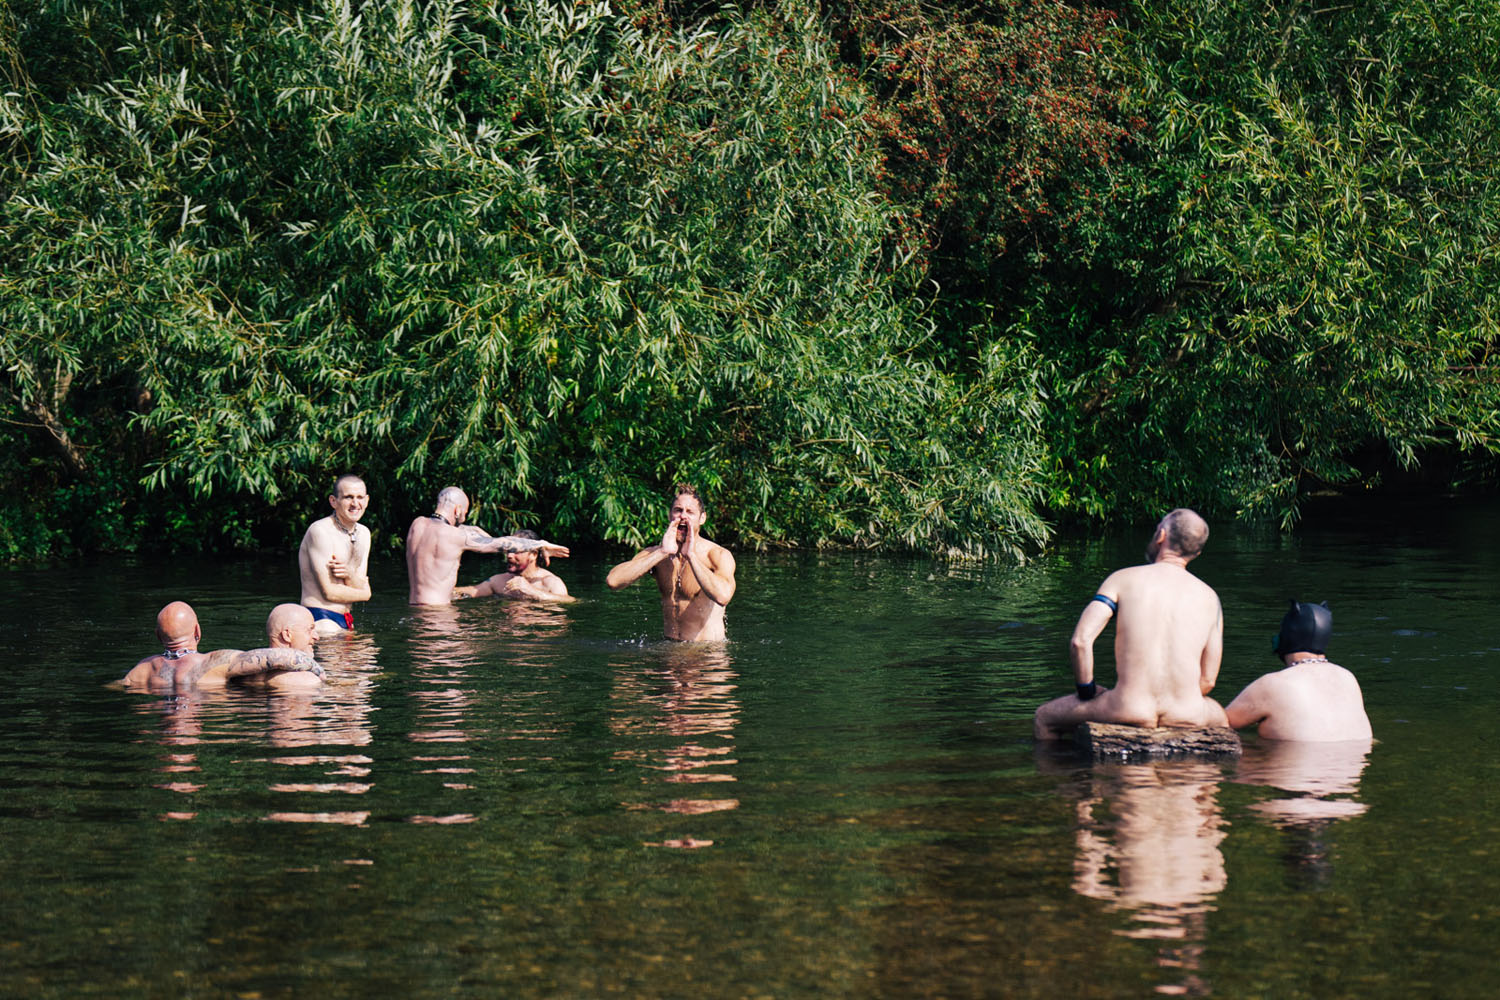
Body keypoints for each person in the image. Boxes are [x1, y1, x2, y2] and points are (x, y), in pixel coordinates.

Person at [1034, 508, 1229, 739]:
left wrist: (1087, 691)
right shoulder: (1210, 598)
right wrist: (1177, 700)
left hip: (1127, 707)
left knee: (1044, 717)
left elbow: (1081, 641)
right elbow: (1208, 680)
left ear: (1161, 536)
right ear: (1197, 553)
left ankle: (1057, 773)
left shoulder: (1122, 579)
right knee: (1223, 719)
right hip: (1188, 712)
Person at [1224, 600, 1372, 741]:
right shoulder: (1348, 678)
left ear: (1284, 637)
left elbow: (1222, 723)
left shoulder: (1272, 684)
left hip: (1290, 763)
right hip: (1351, 763)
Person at [606, 483, 736, 641]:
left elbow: (723, 596)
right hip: (670, 648)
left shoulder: (717, 555)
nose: (683, 516)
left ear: (702, 518)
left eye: (690, 512)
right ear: (670, 515)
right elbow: (613, 581)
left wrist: (691, 557)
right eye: (678, 510)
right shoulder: (657, 554)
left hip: (707, 653)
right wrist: (662, 552)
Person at [405, 486, 570, 605]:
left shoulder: (417, 525)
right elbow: (499, 543)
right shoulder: (458, 537)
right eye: (464, 514)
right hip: (439, 616)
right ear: (457, 510)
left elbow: (451, 528)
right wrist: (541, 544)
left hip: (414, 611)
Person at [119, 602, 325, 693]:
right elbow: (274, 657)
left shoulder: (141, 670)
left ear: (157, 635)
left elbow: (117, 686)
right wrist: (319, 671)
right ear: (197, 631)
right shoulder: (212, 663)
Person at [298, 473, 373, 635]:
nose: (355, 503)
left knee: (368, 659)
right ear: (334, 501)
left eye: (360, 497)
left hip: (346, 619)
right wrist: (366, 594)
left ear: (366, 500)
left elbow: (358, 583)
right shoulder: (320, 531)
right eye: (348, 497)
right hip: (321, 619)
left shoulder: (364, 533)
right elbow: (330, 592)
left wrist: (350, 574)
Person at [454, 530, 576, 603]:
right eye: (509, 550)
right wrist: (442, 591)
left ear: (533, 555)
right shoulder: (499, 581)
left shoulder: (550, 582)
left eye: (516, 551)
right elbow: (472, 592)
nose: (510, 555)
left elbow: (570, 601)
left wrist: (531, 591)